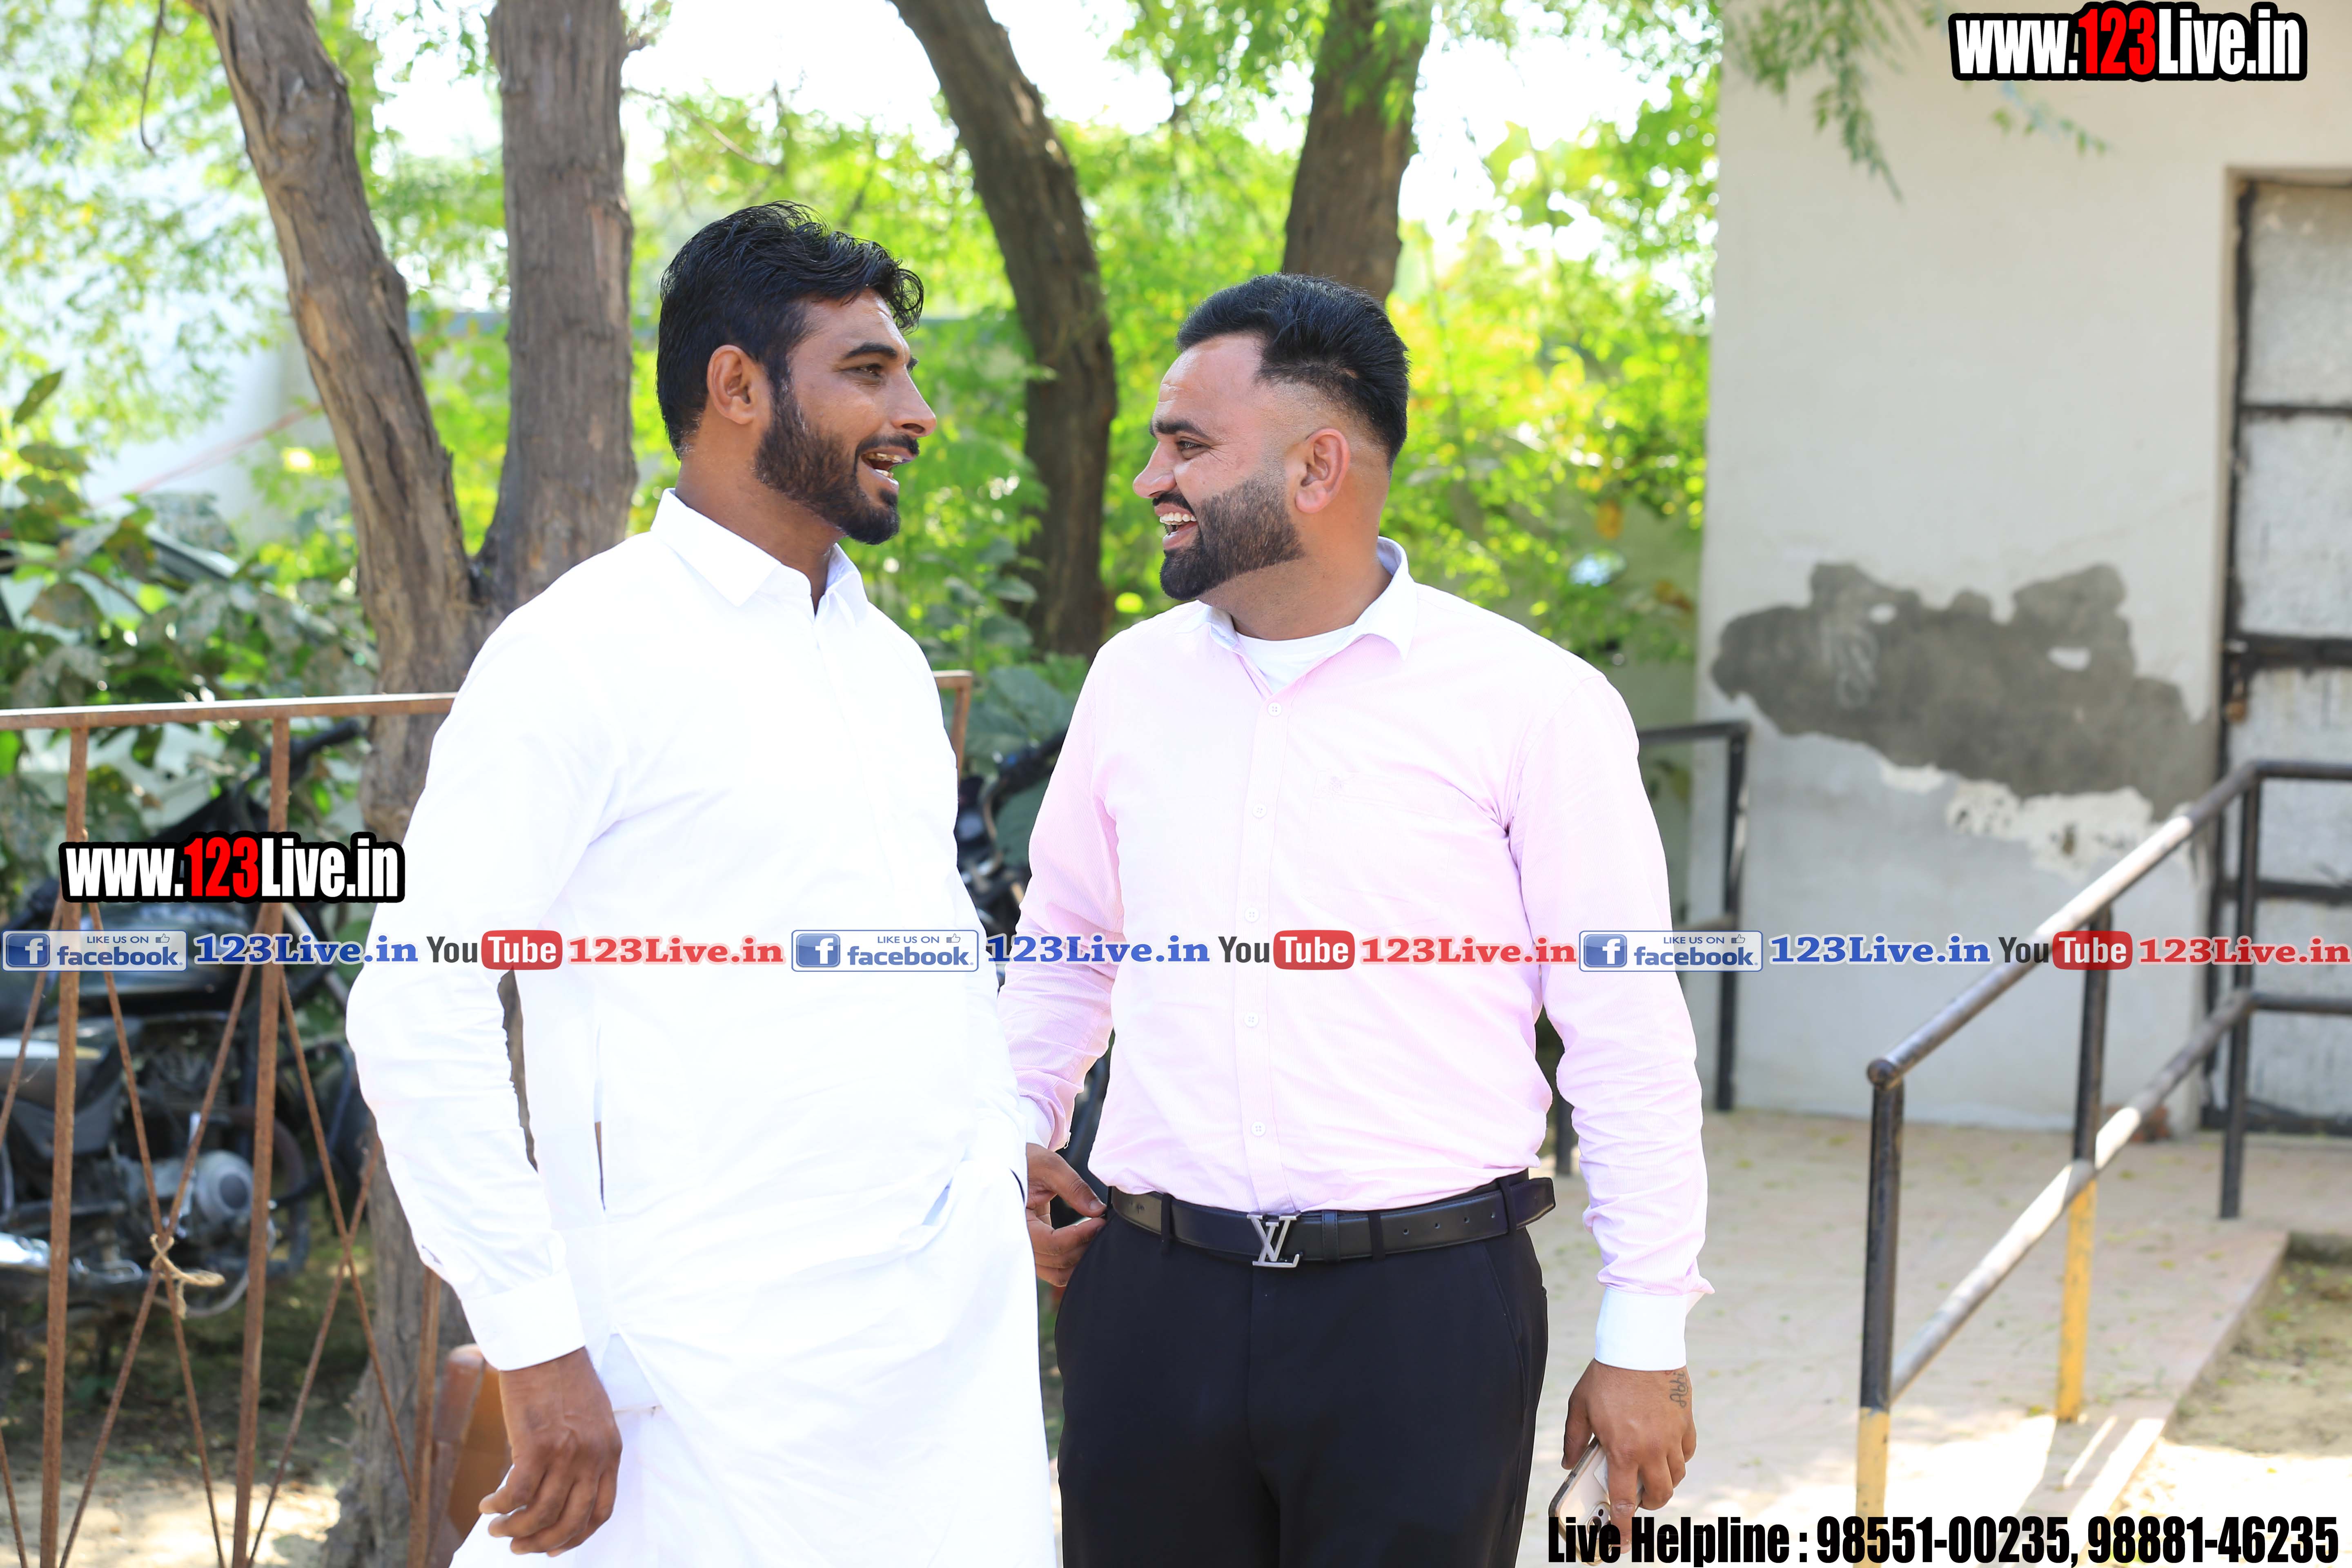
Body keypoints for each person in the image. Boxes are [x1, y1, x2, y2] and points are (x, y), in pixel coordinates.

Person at [345, 203, 1051, 1566]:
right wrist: (534, 1341)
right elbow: (417, 1005)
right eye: (868, 372)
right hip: (698, 1373)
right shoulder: (583, 655)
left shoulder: (884, 663)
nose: (914, 412)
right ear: (737, 386)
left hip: (938, 1366)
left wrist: (1000, 1143)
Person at [1007, 272, 1709, 1568]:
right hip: (1149, 1303)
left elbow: (1623, 1033)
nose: (1153, 478)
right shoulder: (1133, 682)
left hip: (1422, 1325)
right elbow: (1067, 945)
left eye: (1188, 445)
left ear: (1319, 465)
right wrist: (1014, 1136)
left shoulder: (1532, 705)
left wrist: (1645, 1335)